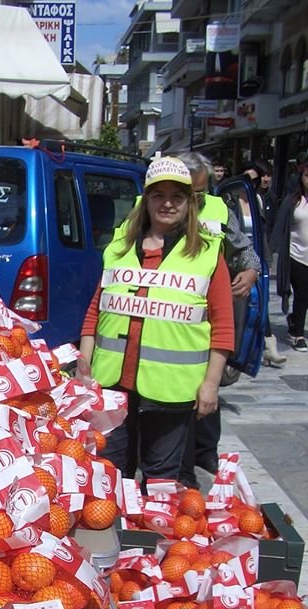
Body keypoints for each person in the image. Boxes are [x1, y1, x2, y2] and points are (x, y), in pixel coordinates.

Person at [79, 156, 234, 489]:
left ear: (189, 203)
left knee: (161, 482)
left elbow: (223, 324)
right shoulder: (118, 248)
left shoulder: (207, 253)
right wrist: (84, 364)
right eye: (158, 195)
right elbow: (96, 309)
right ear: (145, 200)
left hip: (171, 389)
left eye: (177, 197)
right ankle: (114, 539)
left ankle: (152, 539)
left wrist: (211, 383)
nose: (167, 203)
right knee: (107, 476)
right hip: (112, 383)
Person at [175, 152, 272, 487]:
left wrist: (249, 271)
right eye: (187, 191)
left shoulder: (217, 210)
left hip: (210, 308)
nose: (192, 200)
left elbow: (247, 252)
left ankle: (204, 450)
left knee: (208, 383)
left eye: (199, 193)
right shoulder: (155, 207)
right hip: (171, 312)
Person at [271, 164, 308, 352]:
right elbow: (280, 226)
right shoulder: (293, 200)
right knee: (302, 294)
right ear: (301, 178)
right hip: (296, 255)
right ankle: (299, 335)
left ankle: (295, 320)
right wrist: (270, 252)